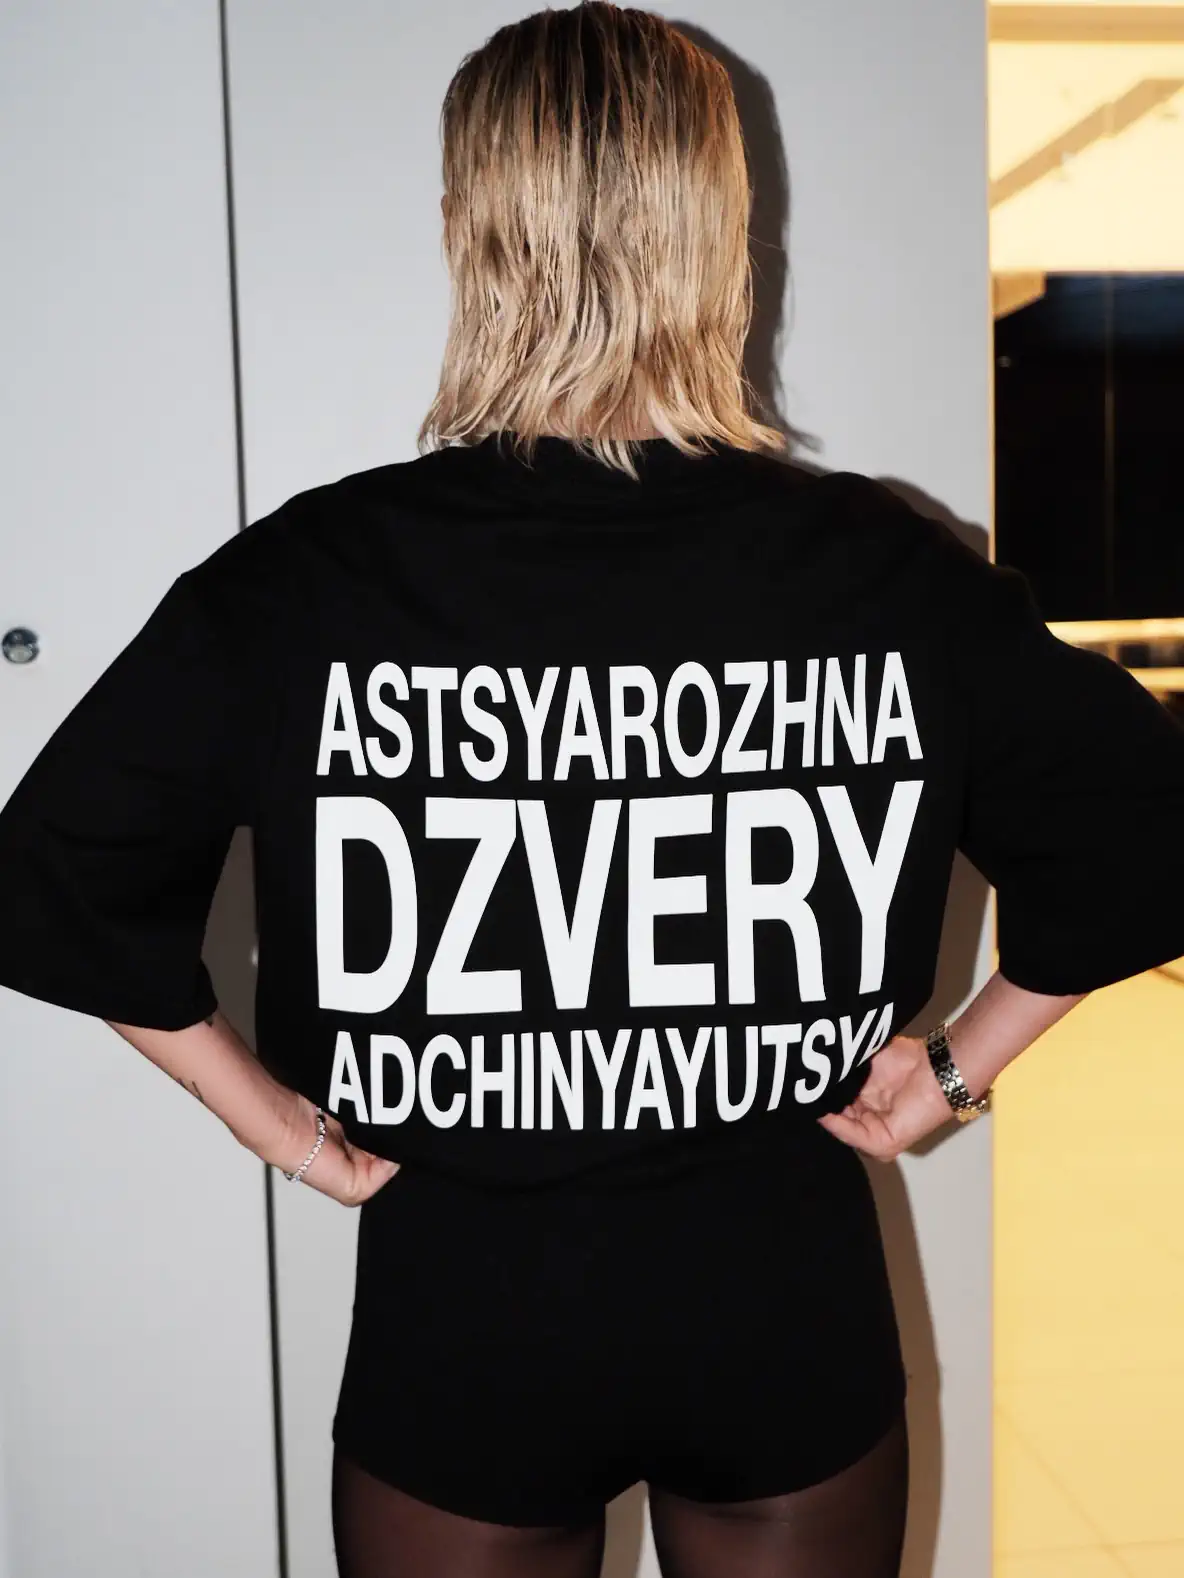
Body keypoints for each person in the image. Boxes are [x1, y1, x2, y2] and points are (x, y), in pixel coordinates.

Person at [1, 5, 1183, 1575]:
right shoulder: (881, 570)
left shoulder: (315, 578)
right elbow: (1144, 832)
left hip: (464, 1323)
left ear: (466, 229)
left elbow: (57, 873)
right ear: (723, 231)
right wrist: (953, 1071)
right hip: (784, 1312)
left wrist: (285, 1129)